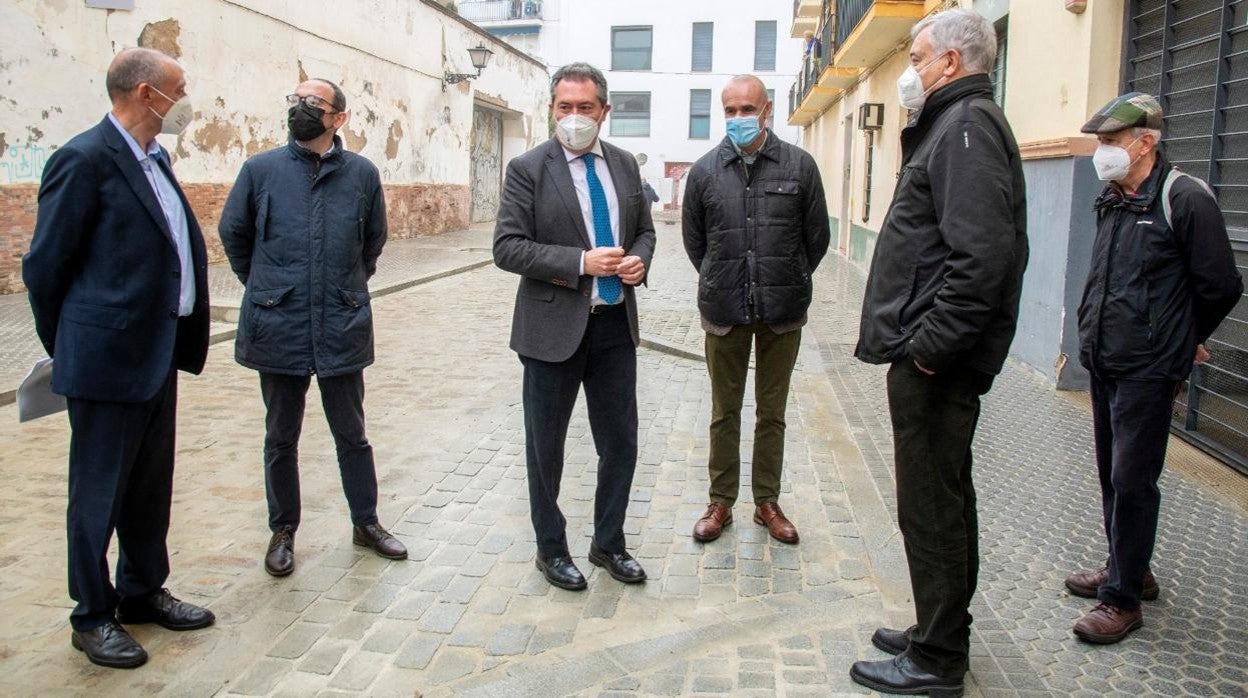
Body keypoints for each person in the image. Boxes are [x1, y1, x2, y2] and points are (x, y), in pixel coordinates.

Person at [851, 10, 1027, 695]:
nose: (912, 71)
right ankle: (937, 626)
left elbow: (982, 259)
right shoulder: (957, 125)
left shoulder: (964, 127)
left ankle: (937, 658)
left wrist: (928, 351)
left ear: (951, 63)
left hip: (938, 363)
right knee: (941, 500)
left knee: (931, 505)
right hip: (935, 355)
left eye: (919, 58)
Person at [23, 47, 214, 669]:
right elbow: (45, 267)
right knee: (98, 494)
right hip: (106, 360)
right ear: (143, 92)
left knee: (149, 488)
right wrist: (74, 345)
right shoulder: (84, 159)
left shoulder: (157, 159)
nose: (185, 100)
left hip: (157, 354)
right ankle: (92, 614)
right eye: (177, 89)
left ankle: (141, 589)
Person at [1067, 93, 1241, 644]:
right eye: (1100, 143)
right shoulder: (1115, 198)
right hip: (1105, 357)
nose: (1103, 152)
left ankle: (1121, 601)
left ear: (1146, 142)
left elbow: (1221, 285)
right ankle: (1130, 570)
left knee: (1133, 479)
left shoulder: (1184, 197)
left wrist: (1184, 339)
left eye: (1112, 142)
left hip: (1147, 368)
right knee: (1110, 474)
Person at [218, 78, 406, 578]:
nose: (301, 109)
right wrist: (264, 285)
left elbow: (374, 241)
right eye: (295, 100)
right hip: (278, 323)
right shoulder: (261, 170)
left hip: (341, 321)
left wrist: (343, 286)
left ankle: (365, 522)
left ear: (338, 118)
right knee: (280, 436)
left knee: (353, 432)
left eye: (313, 103)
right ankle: (283, 531)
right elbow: (233, 234)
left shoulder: (362, 174)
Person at [494, 62, 657, 591]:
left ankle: (608, 543)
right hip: (551, 331)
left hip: (613, 326)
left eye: (585, 107)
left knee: (621, 443)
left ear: (604, 112)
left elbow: (646, 232)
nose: (574, 117)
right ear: (552, 110)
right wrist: (580, 263)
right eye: (565, 107)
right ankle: (551, 549)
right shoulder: (528, 168)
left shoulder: (627, 166)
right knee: (547, 448)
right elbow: (507, 247)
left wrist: (637, 260)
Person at [682, 75, 830, 546]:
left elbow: (816, 239)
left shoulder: (799, 167)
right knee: (724, 411)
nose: (738, 118)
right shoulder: (704, 172)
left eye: (747, 109)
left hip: (781, 312)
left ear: (767, 110)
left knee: (773, 412)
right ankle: (720, 501)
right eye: (730, 110)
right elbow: (695, 243)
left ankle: (767, 501)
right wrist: (720, 276)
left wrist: (788, 275)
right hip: (723, 309)